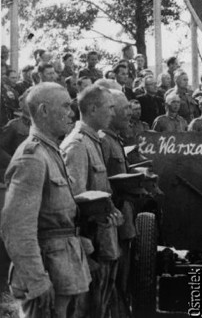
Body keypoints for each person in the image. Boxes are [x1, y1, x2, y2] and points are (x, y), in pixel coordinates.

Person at [1, 83, 91, 318]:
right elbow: (16, 228)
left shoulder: (51, 151)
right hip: (46, 276)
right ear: (43, 110)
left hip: (62, 271)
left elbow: (56, 215)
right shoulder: (32, 158)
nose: (72, 113)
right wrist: (37, 281)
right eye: (65, 106)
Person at [61, 85, 122, 318]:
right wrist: (85, 247)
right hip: (91, 247)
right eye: (110, 107)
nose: (113, 113)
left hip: (102, 241)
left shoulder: (93, 141)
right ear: (93, 108)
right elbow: (74, 202)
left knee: (101, 306)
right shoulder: (77, 145)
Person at [98, 90, 136, 314]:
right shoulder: (103, 141)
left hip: (123, 218)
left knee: (123, 278)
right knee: (113, 282)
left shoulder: (114, 139)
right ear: (111, 112)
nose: (129, 114)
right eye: (125, 110)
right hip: (113, 219)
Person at [0, 91, 31, 175]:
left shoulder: (45, 125)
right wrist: (15, 164)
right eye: (28, 102)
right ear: (21, 105)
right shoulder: (14, 125)